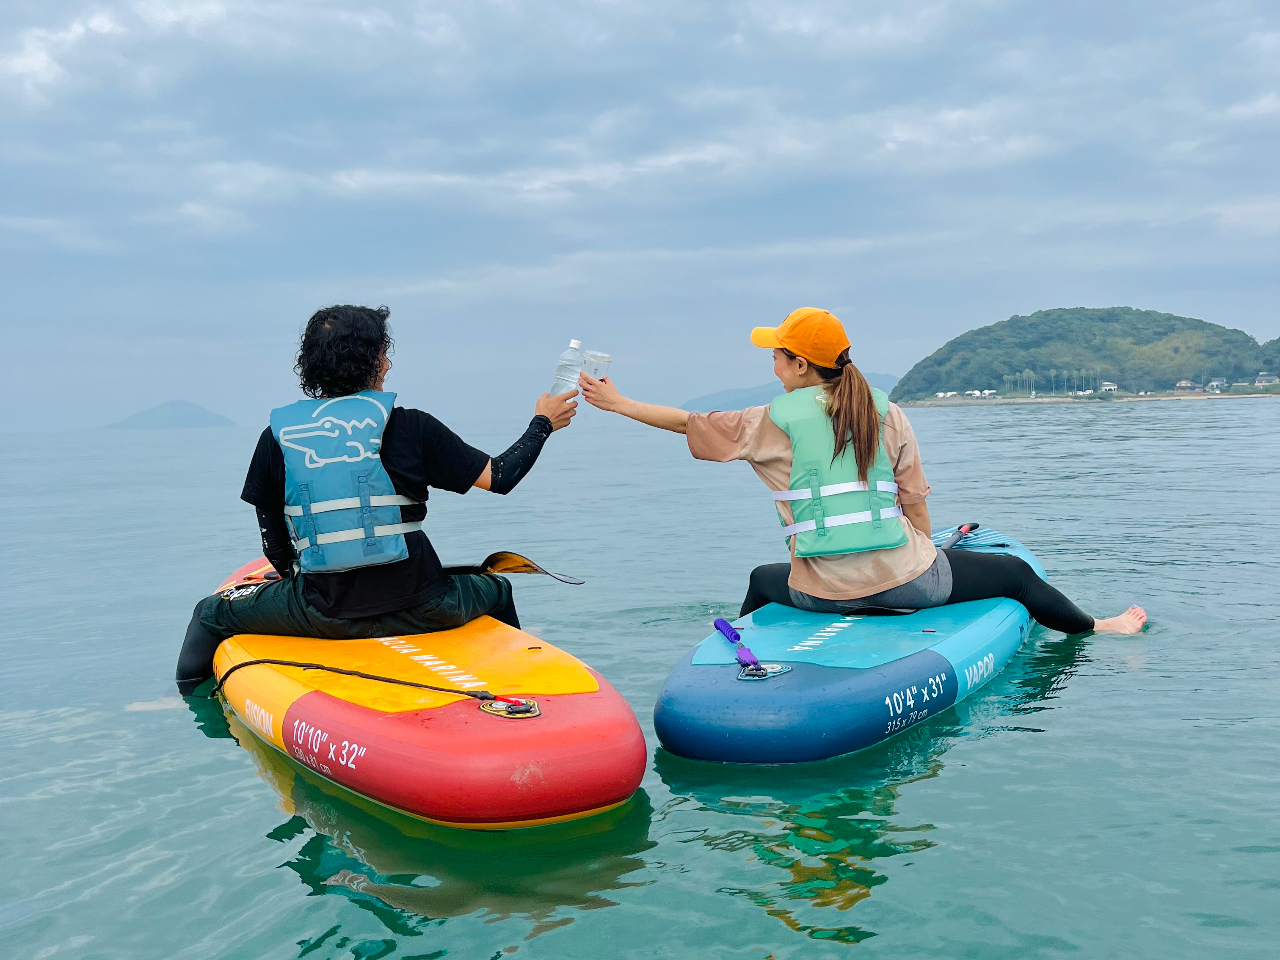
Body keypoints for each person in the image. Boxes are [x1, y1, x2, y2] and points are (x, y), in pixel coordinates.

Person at [577, 307, 1147, 635]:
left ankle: (744, 651)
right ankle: (1102, 628)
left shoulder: (767, 421)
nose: (772, 364)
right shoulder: (886, 411)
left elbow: (687, 422)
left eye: (776, 355)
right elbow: (915, 501)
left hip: (819, 594)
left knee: (761, 577)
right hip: (907, 582)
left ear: (800, 365)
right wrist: (927, 558)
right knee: (1015, 574)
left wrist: (620, 404)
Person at [175, 305, 577, 695]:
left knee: (208, 614)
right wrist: (543, 423)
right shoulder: (412, 426)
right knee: (498, 588)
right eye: (384, 351)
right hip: (427, 606)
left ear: (311, 366)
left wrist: (289, 576)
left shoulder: (280, 436)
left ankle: (188, 701)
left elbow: (274, 543)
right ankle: (519, 687)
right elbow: (502, 477)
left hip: (324, 613)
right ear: (376, 361)